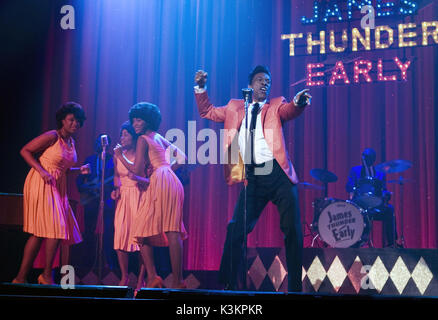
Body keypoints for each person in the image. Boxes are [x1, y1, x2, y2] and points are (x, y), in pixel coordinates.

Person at [194, 65, 311, 292]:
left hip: (278, 175)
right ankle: (228, 284)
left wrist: (299, 102)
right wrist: (200, 88)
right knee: (236, 228)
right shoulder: (234, 107)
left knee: (292, 229)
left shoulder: (276, 105)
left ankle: (295, 287)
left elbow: (290, 110)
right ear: (250, 85)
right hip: (253, 176)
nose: (264, 83)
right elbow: (206, 111)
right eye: (259, 79)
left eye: (267, 80)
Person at [13, 102, 89, 285]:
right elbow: (25, 151)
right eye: (71, 120)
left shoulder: (71, 142)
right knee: (55, 229)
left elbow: (62, 170)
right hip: (41, 182)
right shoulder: (52, 136)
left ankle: (21, 278)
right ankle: (46, 276)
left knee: (41, 233)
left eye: (78, 121)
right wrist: (42, 171)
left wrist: (79, 170)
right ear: (63, 120)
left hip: (57, 184)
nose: (75, 124)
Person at [114, 102, 187, 289]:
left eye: (139, 120)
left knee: (141, 230)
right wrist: (166, 170)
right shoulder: (158, 137)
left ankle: (155, 276)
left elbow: (137, 170)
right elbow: (183, 158)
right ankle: (176, 280)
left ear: (148, 120)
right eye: (134, 120)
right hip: (171, 180)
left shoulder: (142, 139)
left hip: (159, 180)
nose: (135, 123)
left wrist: (120, 156)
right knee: (172, 230)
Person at [111, 121, 146, 288]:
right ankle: (124, 277)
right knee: (120, 236)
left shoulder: (140, 154)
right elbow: (117, 175)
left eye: (126, 134)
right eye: (121, 134)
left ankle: (141, 279)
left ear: (134, 137)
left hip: (139, 195)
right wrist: (116, 189)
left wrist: (119, 156)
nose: (122, 138)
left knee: (141, 239)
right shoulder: (117, 154)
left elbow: (136, 171)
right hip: (123, 197)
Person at [75, 134, 117, 271]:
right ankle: (88, 262)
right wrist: (88, 185)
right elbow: (80, 182)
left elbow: (117, 180)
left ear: (108, 145)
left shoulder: (113, 160)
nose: (101, 145)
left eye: (104, 142)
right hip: (92, 202)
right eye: (99, 142)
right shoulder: (90, 160)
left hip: (108, 201)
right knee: (89, 232)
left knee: (109, 232)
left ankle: (109, 263)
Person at [346, 148, 397, 247]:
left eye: (367, 157)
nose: (364, 159)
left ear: (373, 159)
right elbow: (348, 186)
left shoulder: (380, 173)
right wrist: (354, 187)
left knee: (390, 209)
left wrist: (386, 194)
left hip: (375, 206)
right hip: (359, 206)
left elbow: (383, 189)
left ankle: (391, 243)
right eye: (363, 156)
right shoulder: (355, 170)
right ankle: (355, 243)